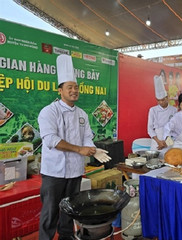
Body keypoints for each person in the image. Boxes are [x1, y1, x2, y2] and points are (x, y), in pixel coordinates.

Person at [38, 54, 110, 240]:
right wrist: (80, 149)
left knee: (69, 212)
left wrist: (93, 149)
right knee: (50, 213)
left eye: (76, 87)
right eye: (70, 87)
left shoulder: (82, 114)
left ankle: (66, 238)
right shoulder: (49, 112)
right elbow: (51, 140)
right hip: (54, 172)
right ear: (60, 90)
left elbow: (87, 138)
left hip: (75, 171)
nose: (74, 90)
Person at [147, 75, 177, 157]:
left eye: (163, 100)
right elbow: (149, 129)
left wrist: (166, 143)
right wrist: (159, 142)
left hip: (169, 141)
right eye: (158, 100)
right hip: (156, 141)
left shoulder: (173, 110)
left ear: (167, 97)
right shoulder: (153, 110)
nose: (160, 102)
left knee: (169, 162)